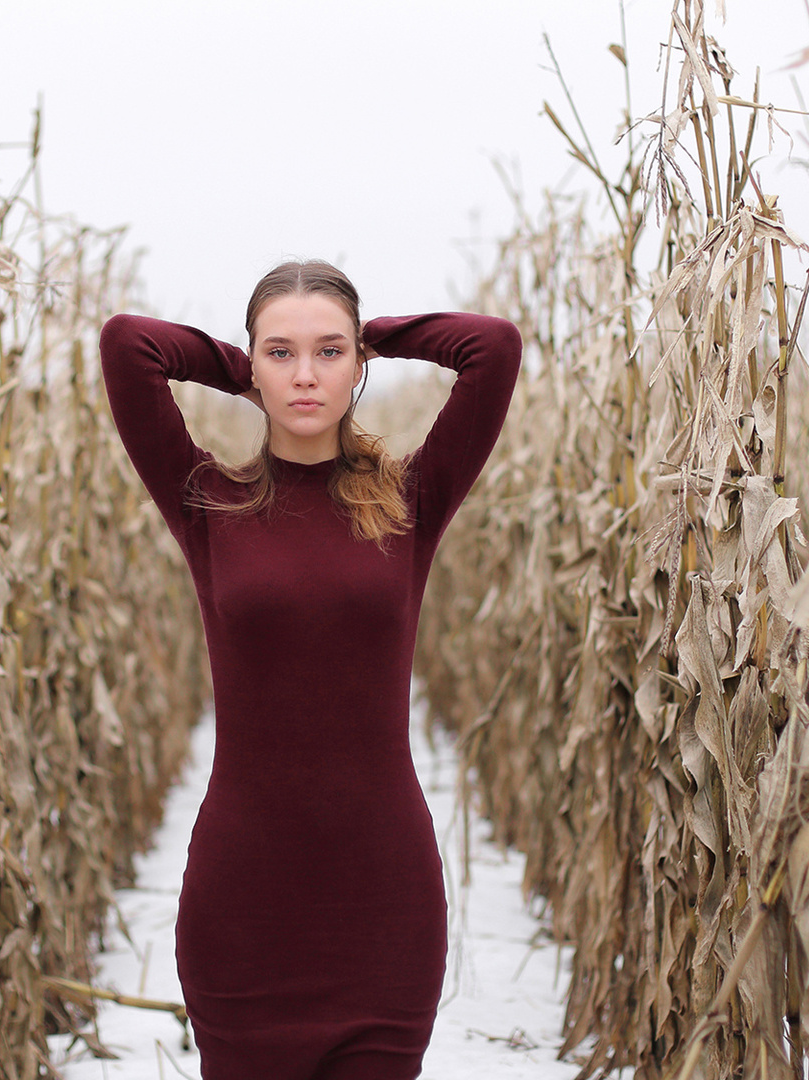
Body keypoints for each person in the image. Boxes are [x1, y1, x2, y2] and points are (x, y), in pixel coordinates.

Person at [97, 258, 522, 1080]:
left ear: (357, 365)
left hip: (382, 905)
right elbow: (128, 344)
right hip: (244, 907)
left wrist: (374, 338)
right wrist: (238, 368)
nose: (304, 375)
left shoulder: (409, 502)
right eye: (280, 353)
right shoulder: (207, 503)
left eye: (329, 354)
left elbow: (492, 347)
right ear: (253, 362)